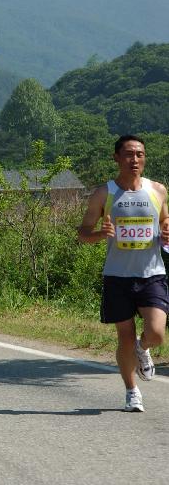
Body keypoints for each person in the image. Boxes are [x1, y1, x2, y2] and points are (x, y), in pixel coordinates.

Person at [77, 134, 169, 412]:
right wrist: (99, 234)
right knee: (124, 337)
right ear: (116, 158)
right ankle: (132, 391)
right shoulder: (103, 193)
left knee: (156, 332)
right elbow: (82, 233)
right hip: (117, 276)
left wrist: (166, 230)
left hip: (152, 273)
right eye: (128, 154)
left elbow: (165, 220)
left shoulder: (158, 190)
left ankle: (144, 349)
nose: (134, 159)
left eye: (139, 154)